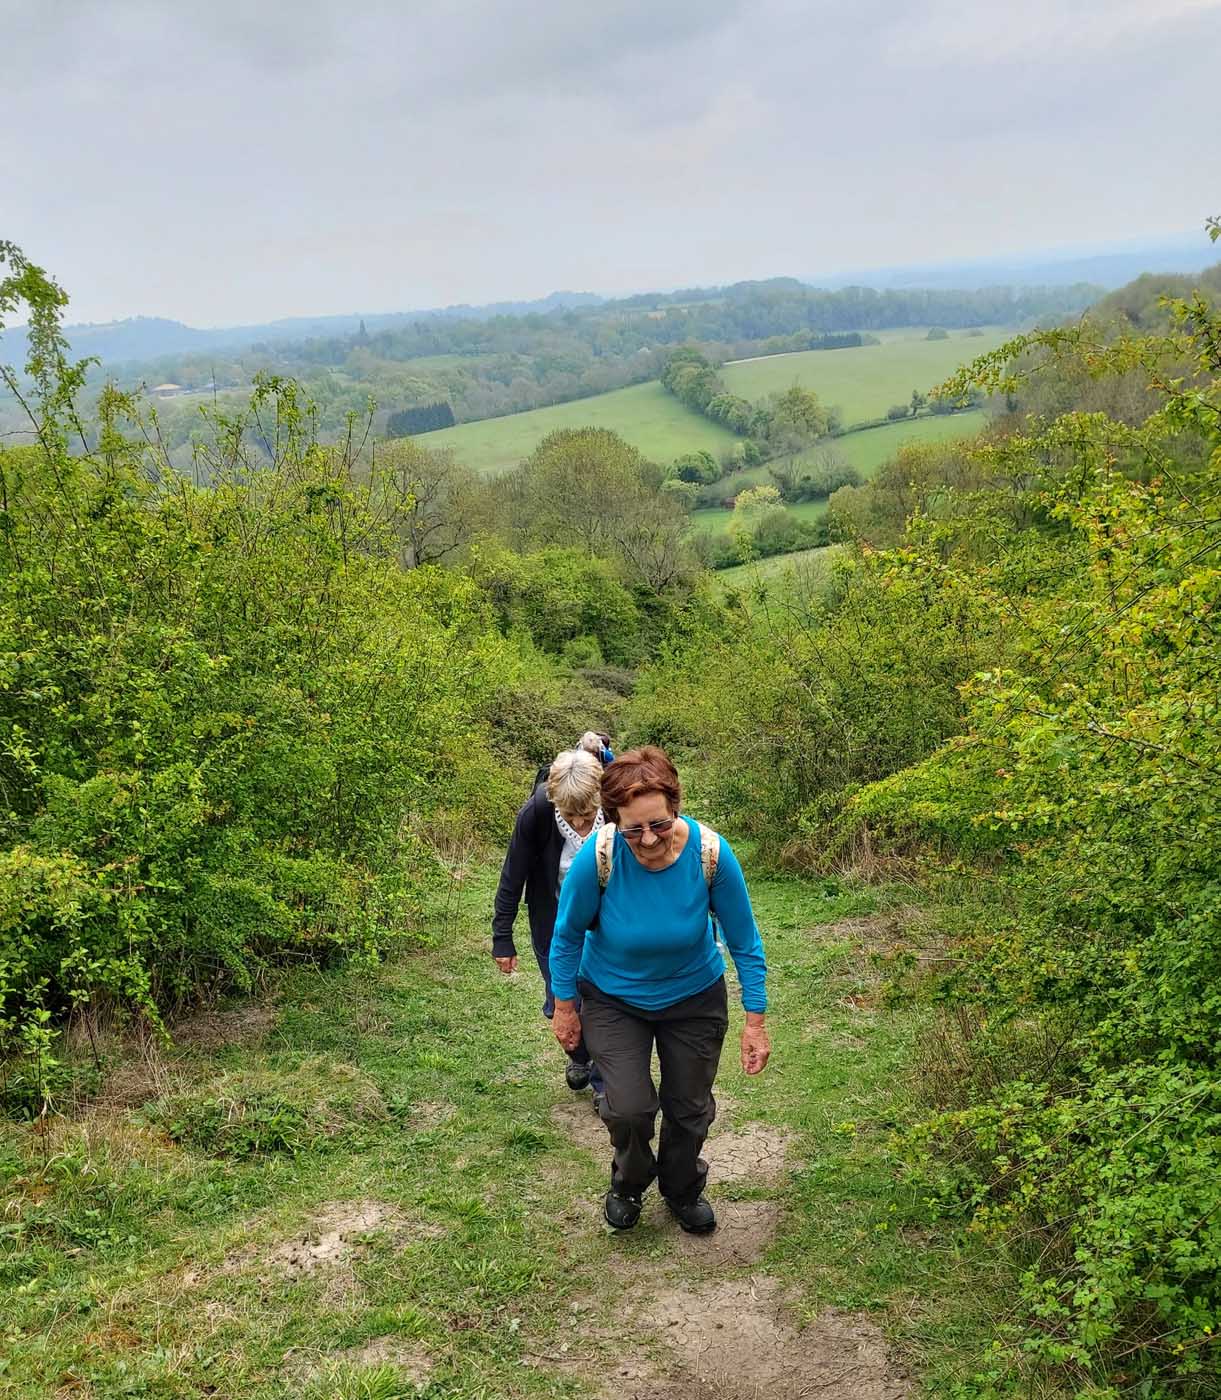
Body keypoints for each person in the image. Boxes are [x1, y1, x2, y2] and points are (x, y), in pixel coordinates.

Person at [549, 746, 770, 1235]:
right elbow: (565, 935)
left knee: (690, 1107)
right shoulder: (599, 857)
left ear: (675, 807)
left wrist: (755, 1021)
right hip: (613, 997)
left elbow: (744, 940)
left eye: (659, 825)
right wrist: (565, 1006)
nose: (647, 839)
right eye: (633, 828)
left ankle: (681, 1187)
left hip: (694, 996)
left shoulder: (711, 853)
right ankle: (629, 1182)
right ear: (612, 820)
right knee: (627, 1107)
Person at [492, 747, 608, 1097]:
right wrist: (502, 937)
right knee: (560, 996)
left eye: (587, 814)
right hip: (554, 921)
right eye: (570, 815)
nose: (579, 824)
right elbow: (513, 876)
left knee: (605, 1001)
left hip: (607, 925)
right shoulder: (537, 813)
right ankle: (580, 1055)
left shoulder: (617, 808)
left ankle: (606, 1084)